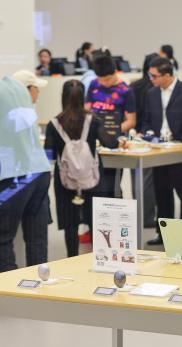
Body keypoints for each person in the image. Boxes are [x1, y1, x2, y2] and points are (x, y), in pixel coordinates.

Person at [45, 80, 117, 257]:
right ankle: (99, 257)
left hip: (65, 180)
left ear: (63, 97)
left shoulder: (54, 124)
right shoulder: (93, 120)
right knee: (95, 220)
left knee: (70, 224)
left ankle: (72, 258)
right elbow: (110, 143)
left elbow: (49, 154)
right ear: (83, 97)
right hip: (92, 178)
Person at [141, 57, 182, 243]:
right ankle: (164, 235)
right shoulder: (151, 93)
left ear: (167, 75)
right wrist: (148, 135)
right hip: (158, 151)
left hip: (179, 151)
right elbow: (146, 120)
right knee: (162, 195)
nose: (151, 79)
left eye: (154, 76)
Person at [1, 72, 51, 272]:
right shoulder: (18, 92)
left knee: (2, 239)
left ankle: (8, 288)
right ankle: (38, 284)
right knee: (36, 238)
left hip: (13, 175)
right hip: (39, 171)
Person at [85, 54, 137, 198]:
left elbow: (131, 121)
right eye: (101, 80)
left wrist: (109, 134)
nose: (104, 83)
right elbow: (86, 110)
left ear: (115, 72)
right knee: (92, 184)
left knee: (111, 184)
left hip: (114, 144)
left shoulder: (125, 90)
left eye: (107, 79)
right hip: (93, 143)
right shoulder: (94, 85)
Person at [129, 52, 159, 228]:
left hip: (135, 135)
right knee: (149, 180)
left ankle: (139, 214)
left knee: (137, 177)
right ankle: (147, 217)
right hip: (150, 136)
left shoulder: (134, 86)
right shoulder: (154, 89)